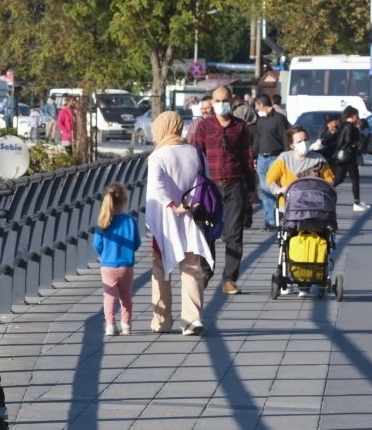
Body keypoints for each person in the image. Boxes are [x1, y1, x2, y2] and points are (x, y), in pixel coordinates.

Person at [146, 111, 216, 336]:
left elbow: (157, 187)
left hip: (165, 220)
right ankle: (192, 319)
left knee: (161, 269)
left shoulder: (158, 156)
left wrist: (172, 205)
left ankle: (162, 320)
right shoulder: (195, 152)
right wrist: (188, 204)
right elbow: (205, 180)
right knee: (192, 267)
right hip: (192, 216)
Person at [189, 83, 258, 294]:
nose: (221, 105)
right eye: (217, 101)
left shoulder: (240, 126)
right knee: (205, 230)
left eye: (224, 101)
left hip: (234, 186)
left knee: (234, 234)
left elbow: (247, 158)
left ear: (232, 100)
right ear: (212, 101)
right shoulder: (204, 126)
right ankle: (206, 270)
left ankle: (229, 278)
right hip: (210, 188)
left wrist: (251, 189)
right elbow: (194, 156)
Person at [265, 126, 336, 294]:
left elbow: (330, 181)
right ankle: (287, 277)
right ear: (291, 145)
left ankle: (308, 280)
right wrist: (278, 190)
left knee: (314, 240)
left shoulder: (318, 159)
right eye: (299, 141)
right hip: (289, 208)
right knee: (287, 241)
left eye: (305, 139)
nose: (304, 143)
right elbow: (270, 179)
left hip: (314, 210)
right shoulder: (284, 159)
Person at [92, 182, 141, 337]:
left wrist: (106, 254)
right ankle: (126, 324)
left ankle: (110, 325)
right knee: (126, 295)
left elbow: (97, 245)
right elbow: (136, 243)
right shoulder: (130, 221)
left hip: (108, 266)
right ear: (124, 200)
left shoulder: (102, 222)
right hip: (126, 265)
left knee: (109, 296)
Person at [251, 94, 288, 229]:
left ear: (262, 104)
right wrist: (253, 155)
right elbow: (257, 139)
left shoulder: (279, 119)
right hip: (262, 158)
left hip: (275, 158)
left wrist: (285, 156)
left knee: (273, 189)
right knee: (265, 190)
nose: (255, 108)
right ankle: (270, 221)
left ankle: (277, 218)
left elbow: (285, 138)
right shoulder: (260, 121)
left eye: (256, 105)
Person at [319, 109, 365, 211]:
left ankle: (322, 192)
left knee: (339, 179)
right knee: (355, 179)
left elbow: (337, 138)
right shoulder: (349, 126)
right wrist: (355, 144)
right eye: (356, 116)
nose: (358, 117)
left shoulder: (342, 125)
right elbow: (348, 140)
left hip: (340, 157)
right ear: (352, 116)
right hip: (348, 157)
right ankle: (357, 203)